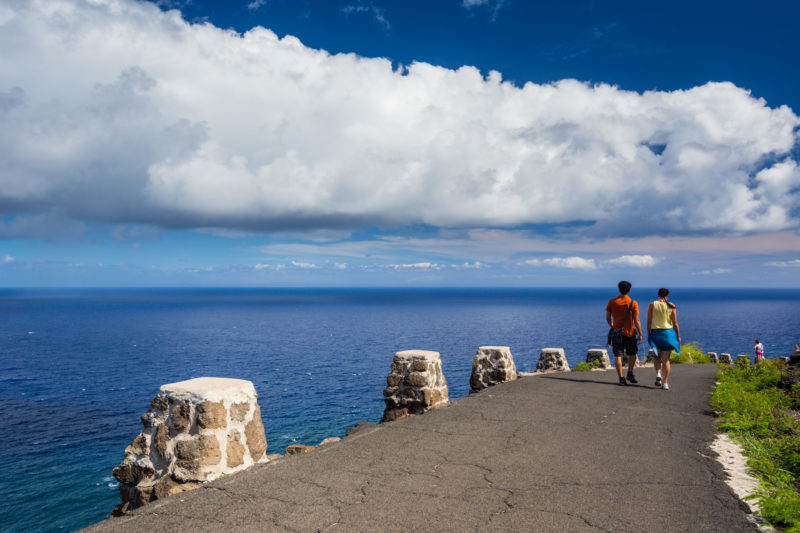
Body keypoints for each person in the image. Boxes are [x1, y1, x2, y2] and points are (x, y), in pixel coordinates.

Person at [606, 281, 643, 385]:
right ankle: (630, 373)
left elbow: (608, 318)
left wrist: (613, 326)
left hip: (617, 333)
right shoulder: (633, 303)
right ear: (629, 290)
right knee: (633, 353)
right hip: (630, 333)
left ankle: (621, 378)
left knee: (618, 355)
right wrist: (640, 333)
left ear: (619, 289)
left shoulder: (612, 302)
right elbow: (637, 320)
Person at [647, 288, 681, 390]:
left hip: (656, 333)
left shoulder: (652, 305)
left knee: (657, 356)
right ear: (667, 295)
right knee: (666, 359)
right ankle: (665, 383)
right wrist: (678, 336)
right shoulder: (672, 306)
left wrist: (649, 334)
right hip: (668, 334)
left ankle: (658, 374)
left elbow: (649, 322)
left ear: (658, 295)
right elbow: (675, 323)